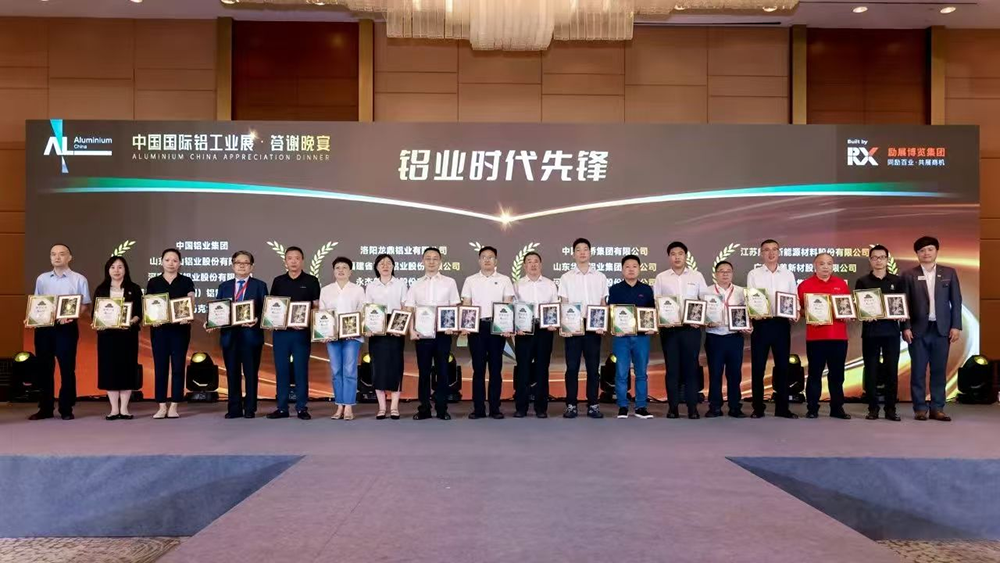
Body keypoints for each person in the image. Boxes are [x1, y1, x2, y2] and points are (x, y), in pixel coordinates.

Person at [901, 236, 962, 422]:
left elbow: (956, 301)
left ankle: (937, 408)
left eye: (930, 249)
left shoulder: (949, 273)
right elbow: (903, 303)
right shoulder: (908, 275)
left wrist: (956, 326)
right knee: (918, 371)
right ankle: (920, 408)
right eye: (922, 250)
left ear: (936, 251)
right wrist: (906, 327)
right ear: (917, 254)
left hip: (941, 330)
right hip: (917, 330)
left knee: (939, 370)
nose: (926, 253)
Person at [27, 244, 91, 420]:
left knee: (67, 368)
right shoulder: (42, 279)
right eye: (53, 254)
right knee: (44, 368)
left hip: (67, 328)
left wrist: (72, 316)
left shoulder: (79, 279)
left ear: (69, 258)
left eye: (62, 254)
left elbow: (85, 306)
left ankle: (66, 408)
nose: (57, 257)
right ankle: (45, 408)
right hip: (44, 328)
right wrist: (33, 318)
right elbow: (37, 303)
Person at [654, 241, 709, 419]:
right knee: (672, 369)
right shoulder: (661, 277)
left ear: (686, 256)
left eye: (680, 254)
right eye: (673, 254)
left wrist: (700, 319)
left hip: (691, 330)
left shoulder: (697, 276)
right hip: (669, 330)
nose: (677, 257)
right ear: (669, 257)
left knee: (691, 368)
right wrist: (663, 319)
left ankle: (693, 408)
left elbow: (704, 299)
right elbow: (656, 302)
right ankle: (673, 407)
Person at [211, 251, 268, 419]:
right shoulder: (224, 286)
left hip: (251, 335)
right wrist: (212, 322)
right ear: (232, 265)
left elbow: (266, 310)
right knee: (232, 373)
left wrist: (256, 319)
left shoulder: (259, 285)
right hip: (230, 336)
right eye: (238, 262)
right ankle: (234, 408)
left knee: (251, 373)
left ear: (252, 266)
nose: (242, 265)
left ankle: (250, 408)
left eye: (246, 263)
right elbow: (218, 309)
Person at [746, 239, 799, 419]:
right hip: (761, 324)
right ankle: (758, 407)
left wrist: (795, 311)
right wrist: (755, 313)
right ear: (761, 253)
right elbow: (752, 298)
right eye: (767, 250)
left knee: (783, 367)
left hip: (781, 324)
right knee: (758, 367)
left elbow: (793, 297)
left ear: (779, 252)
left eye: (774, 249)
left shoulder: (788, 274)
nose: (771, 253)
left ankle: (782, 408)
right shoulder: (754, 274)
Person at [405, 247, 461, 420]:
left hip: (443, 333)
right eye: (428, 258)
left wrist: (453, 326)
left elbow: (454, 306)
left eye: (435, 258)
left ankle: (442, 408)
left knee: (443, 371)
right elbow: (410, 309)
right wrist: (411, 330)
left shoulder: (449, 282)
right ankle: (424, 408)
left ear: (440, 262)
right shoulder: (415, 284)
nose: (431, 261)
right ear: (422, 261)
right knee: (424, 372)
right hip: (422, 335)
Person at [462, 246, 516, 420]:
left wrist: (506, 326)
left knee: (495, 369)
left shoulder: (504, 279)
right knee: (478, 369)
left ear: (496, 261)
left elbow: (508, 304)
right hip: (477, 327)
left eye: (491, 257)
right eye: (484, 257)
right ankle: (478, 408)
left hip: (497, 327)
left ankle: (495, 408)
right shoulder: (470, 280)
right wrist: (466, 324)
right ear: (479, 260)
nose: (487, 260)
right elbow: (467, 303)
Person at [267, 246, 321, 420]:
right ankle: (282, 407)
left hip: (301, 334)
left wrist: (306, 322)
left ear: (302, 261)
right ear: (285, 261)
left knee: (300, 370)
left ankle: (301, 407)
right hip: (281, 333)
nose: (293, 261)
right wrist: (272, 321)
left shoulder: (311, 281)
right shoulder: (278, 281)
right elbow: (273, 306)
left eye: (297, 258)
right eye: (290, 258)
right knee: (281, 369)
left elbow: (316, 307)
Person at [797, 253, 852, 419]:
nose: (826, 267)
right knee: (815, 374)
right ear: (815, 266)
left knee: (837, 375)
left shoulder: (841, 284)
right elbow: (799, 310)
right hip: (816, 337)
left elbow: (846, 307)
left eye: (829, 263)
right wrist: (809, 315)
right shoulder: (805, 285)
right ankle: (812, 408)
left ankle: (837, 408)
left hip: (839, 337)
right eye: (822, 263)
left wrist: (848, 315)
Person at [558, 238, 609, 419]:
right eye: (578, 249)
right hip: (573, 326)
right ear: (573, 254)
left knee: (593, 368)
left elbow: (603, 303)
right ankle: (571, 405)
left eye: (585, 249)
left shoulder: (600, 276)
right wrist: (565, 325)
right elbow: (564, 303)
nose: (582, 252)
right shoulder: (566, 277)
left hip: (593, 327)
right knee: (572, 368)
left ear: (590, 253)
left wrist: (602, 324)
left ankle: (593, 404)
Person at [854, 245, 903, 421]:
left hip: (891, 332)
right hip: (870, 332)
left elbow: (903, 304)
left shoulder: (897, 281)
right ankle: (872, 408)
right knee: (871, 371)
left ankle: (891, 409)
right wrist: (863, 314)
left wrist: (902, 314)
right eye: (875, 257)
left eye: (882, 257)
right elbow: (858, 306)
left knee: (891, 371)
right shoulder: (862, 281)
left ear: (887, 259)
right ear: (870, 260)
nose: (878, 261)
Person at [147, 248, 195, 419]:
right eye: (167, 260)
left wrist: (188, 316)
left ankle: (174, 404)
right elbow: (149, 305)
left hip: (179, 330)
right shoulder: (154, 282)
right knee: (160, 367)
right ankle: (161, 405)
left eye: (174, 260)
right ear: (161, 262)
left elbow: (190, 301)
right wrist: (152, 319)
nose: (171, 263)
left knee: (178, 367)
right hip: (159, 330)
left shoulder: (186, 281)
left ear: (179, 263)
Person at [94, 256, 142, 420]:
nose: (116, 270)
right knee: (110, 370)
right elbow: (96, 313)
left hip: (127, 336)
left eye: (120, 267)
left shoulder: (134, 288)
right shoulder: (101, 289)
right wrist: (98, 323)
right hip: (107, 337)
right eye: (113, 267)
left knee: (127, 369)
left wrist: (132, 320)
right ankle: (114, 409)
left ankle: (124, 409)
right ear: (108, 270)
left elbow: (139, 312)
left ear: (125, 269)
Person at [608, 255, 656, 419]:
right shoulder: (615, 289)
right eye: (627, 266)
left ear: (639, 269)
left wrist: (651, 327)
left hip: (642, 338)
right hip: (621, 338)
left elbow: (651, 312)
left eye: (634, 266)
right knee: (621, 373)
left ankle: (641, 407)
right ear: (622, 270)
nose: (631, 269)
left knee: (641, 373)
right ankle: (623, 406)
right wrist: (615, 328)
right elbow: (612, 311)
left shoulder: (646, 289)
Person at [320, 257, 366, 421]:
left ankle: (349, 406)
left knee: (349, 370)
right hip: (332, 337)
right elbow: (322, 314)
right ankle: (339, 405)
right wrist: (323, 332)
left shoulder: (358, 290)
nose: (341, 270)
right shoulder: (326, 290)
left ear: (350, 271)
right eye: (337, 267)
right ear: (333, 271)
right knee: (336, 371)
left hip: (352, 336)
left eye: (344, 267)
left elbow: (362, 312)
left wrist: (356, 329)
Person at [513, 251, 558, 418]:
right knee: (523, 368)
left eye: (536, 261)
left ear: (541, 264)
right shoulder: (517, 285)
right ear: (524, 265)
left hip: (544, 330)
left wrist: (554, 323)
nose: (533, 264)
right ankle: (521, 407)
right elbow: (513, 308)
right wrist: (516, 326)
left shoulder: (550, 284)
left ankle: (541, 408)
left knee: (542, 368)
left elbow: (555, 306)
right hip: (524, 330)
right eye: (529, 261)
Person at [704, 261, 749, 418]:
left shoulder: (741, 292)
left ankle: (735, 406)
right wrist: (705, 321)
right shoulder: (706, 292)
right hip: (714, 336)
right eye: (721, 271)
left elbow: (748, 313)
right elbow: (699, 313)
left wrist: (748, 325)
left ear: (732, 273)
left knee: (734, 374)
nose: (725, 274)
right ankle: (714, 407)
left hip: (734, 337)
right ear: (715, 274)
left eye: (728, 271)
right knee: (715, 373)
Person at [365, 254, 408, 420]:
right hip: (377, 328)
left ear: (393, 266)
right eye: (381, 263)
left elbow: (405, 307)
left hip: (396, 326)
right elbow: (367, 309)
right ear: (376, 267)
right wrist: (368, 328)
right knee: (378, 367)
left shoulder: (400, 284)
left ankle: (395, 407)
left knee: (396, 366)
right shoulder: (371, 286)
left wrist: (402, 327)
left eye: (388, 263)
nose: (385, 266)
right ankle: (382, 407)